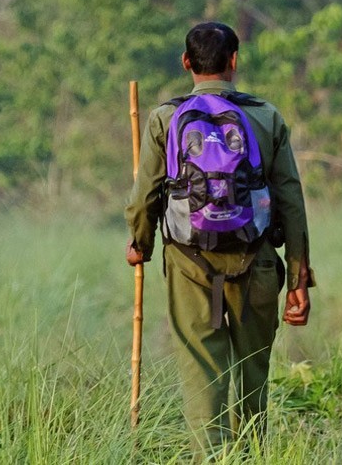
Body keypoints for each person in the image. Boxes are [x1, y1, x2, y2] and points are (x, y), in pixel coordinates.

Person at [125, 22, 313, 455]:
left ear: (187, 63)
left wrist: (141, 244)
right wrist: (300, 278)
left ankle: (211, 458)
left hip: (190, 265)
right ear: (233, 62)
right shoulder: (266, 116)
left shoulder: (164, 118)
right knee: (252, 375)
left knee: (201, 375)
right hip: (258, 260)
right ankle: (252, 457)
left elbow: (144, 198)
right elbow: (291, 200)